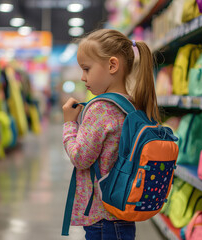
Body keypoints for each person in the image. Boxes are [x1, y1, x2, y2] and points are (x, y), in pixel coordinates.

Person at [62, 29, 160, 240]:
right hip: (121, 212)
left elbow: (80, 158)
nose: (82, 76)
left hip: (103, 219)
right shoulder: (131, 104)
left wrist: (70, 124)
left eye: (87, 68)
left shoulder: (101, 109)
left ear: (112, 65)